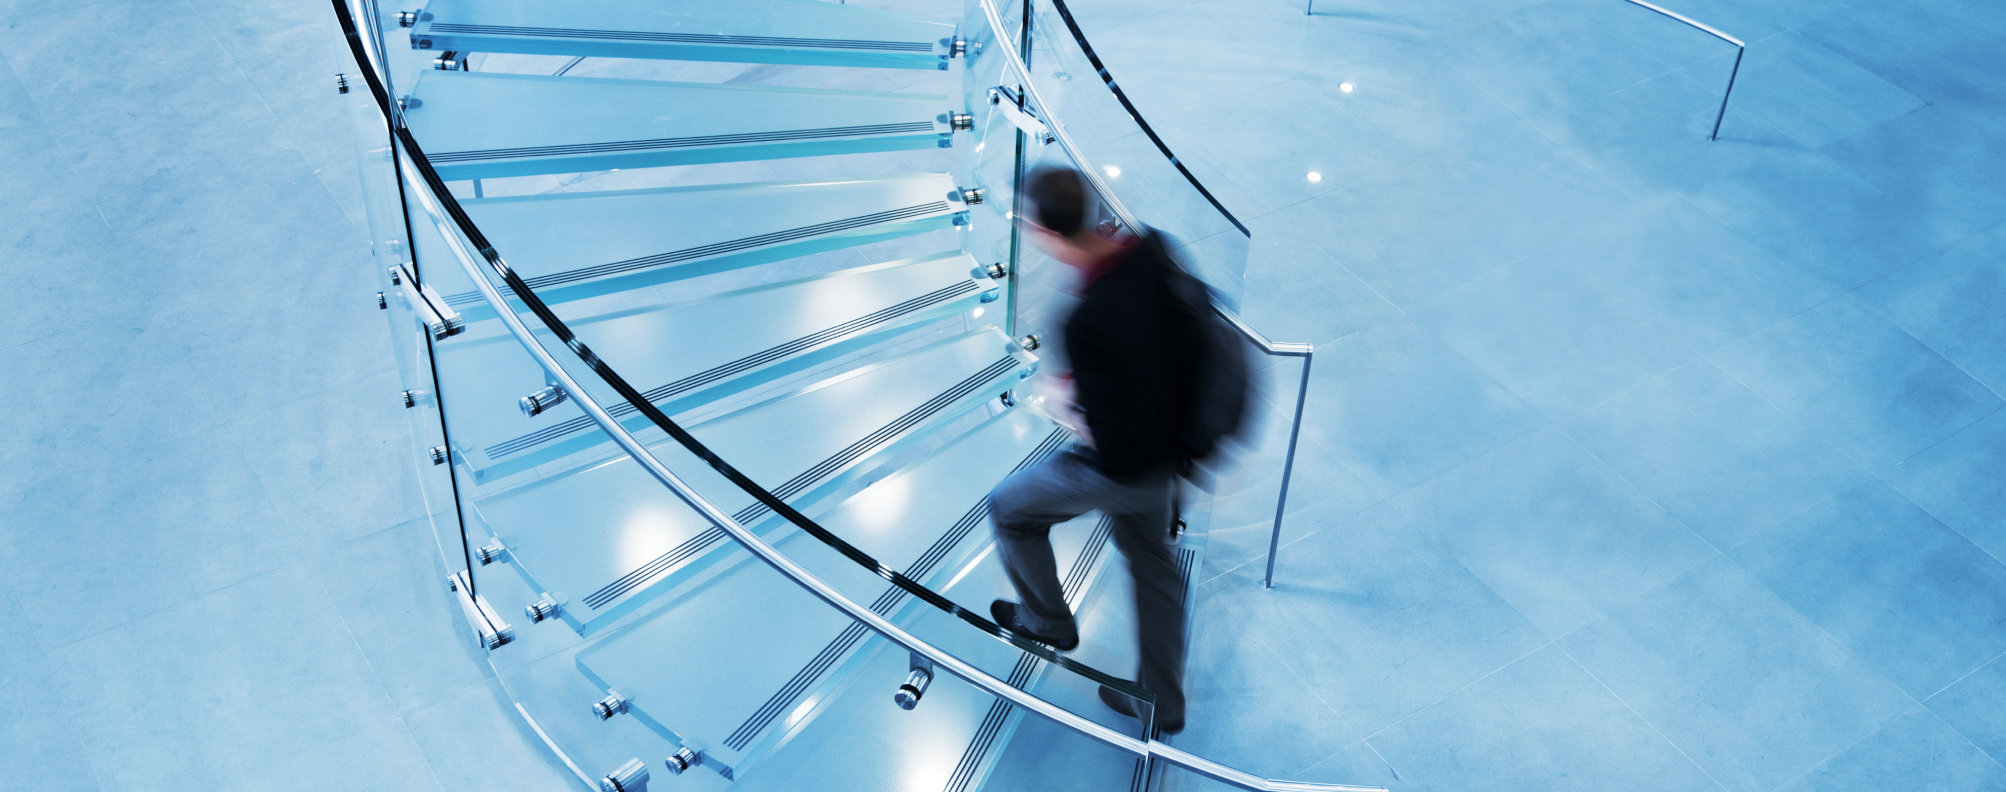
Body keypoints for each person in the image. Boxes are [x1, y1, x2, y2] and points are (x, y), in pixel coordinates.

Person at [987, 165, 1200, 734]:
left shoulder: (1088, 319)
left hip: (1126, 466)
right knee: (1153, 567)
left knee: (1010, 510)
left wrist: (1067, 404)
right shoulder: (1149, 250)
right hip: (1170, 456)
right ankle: (1162, 703)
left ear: (1048, 234)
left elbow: (1109, 435)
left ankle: (1047, 620)